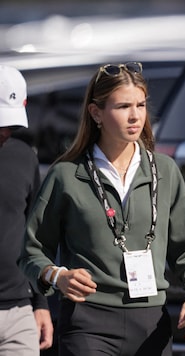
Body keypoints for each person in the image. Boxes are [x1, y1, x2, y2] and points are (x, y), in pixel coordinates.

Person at [18, 61, 185, 355]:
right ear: (96, 112)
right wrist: (57, 276)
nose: (135, 115)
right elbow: (32, 250)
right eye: (123, 106)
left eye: (141, 104)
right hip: (87, 321)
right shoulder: (66, 174)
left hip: (152, 322)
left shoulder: (165, 171)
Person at [0, 65, 54, 354]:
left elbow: (35, 235)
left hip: (20, 311)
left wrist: (40, 304)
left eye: (10, 123)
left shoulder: (23, 156)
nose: (5, 130)